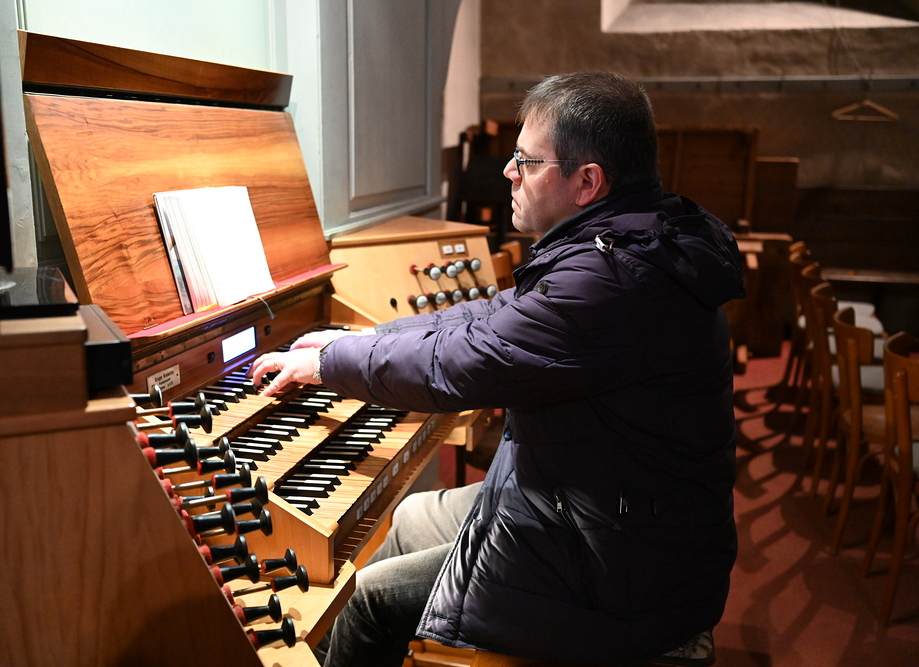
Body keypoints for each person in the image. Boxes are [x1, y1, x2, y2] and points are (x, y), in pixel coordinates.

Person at [250, 71, 745, 666]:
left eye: (527, 161)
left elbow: (463, 362)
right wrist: (364, 338)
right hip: (603, 509)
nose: (509, 172)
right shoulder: (627, 240)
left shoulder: (611, 279)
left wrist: (327, 363)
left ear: (587, 182)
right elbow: (492, 316)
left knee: (371, 599)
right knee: (410, 516)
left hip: (622, 568)